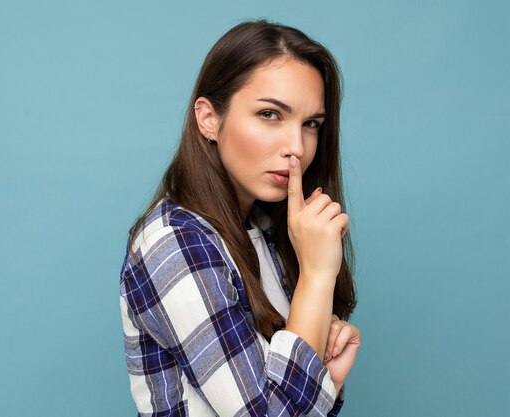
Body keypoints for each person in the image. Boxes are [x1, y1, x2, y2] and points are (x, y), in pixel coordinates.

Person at [119, 19, 360, 416]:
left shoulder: (269, 230)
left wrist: (326, 378)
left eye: (311, 124)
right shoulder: (176, 244)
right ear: (208, 119)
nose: (296, 146)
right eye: (269, 115)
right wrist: (317, 277)